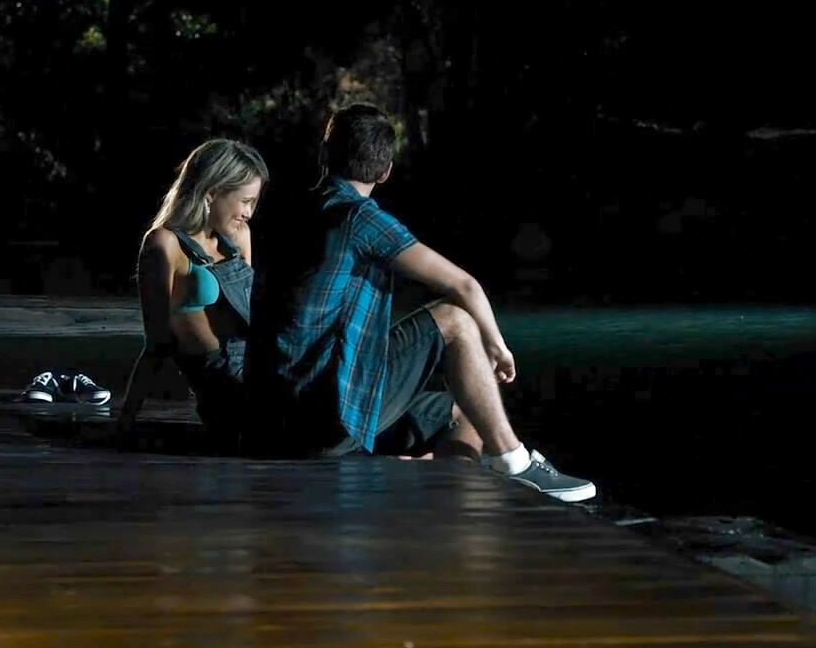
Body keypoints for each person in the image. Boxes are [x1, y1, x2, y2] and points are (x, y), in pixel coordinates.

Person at [244, 104, 595, 502]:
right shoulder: (359, 218)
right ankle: (516, 463)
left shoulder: (290, 212)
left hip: (274, 418)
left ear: (324, 154)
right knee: (456, 320)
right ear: (385, 172)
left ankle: (442, 484)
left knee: (471, 410)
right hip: (322, 419)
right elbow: (464, 285)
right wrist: (498, 347)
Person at [118, 139, 268, 453]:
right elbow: (157, 343)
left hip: (261, 370)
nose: (248, 213)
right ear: (211, 193)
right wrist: (126, 419)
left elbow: (250, 316)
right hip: (221, 383)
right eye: (245, 201)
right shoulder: (165, 244)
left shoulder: (239, 237)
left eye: (254, 203)